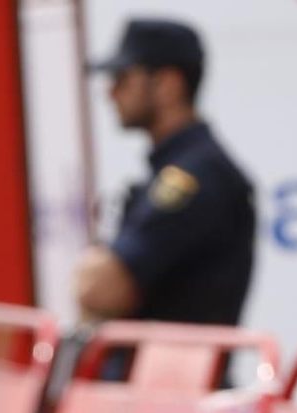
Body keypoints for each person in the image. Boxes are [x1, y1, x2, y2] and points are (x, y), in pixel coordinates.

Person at [78, 18, 255, 328]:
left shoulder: (195, 177)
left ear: (168, 84)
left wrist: (94, 269)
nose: (111, 93)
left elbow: (99, 291)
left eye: (123, 78)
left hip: (173, 375)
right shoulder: (183, 167)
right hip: (157, 372)